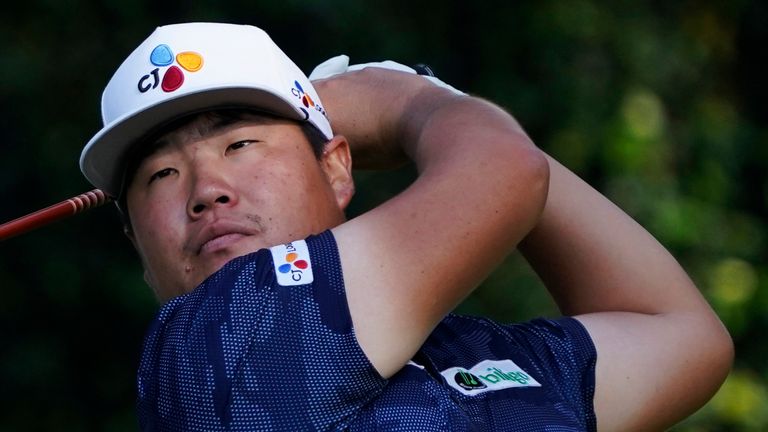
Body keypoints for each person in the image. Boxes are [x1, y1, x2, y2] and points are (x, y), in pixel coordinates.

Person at [79, 23, 733, 431]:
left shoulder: (468, 356)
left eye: (240, 145)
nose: (204, 191)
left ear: (336, 168)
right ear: (137, 244)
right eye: (160, 175)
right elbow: (507, 172)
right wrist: (417, 104)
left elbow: (683, 336)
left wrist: (468, 124)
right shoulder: (213, 342)